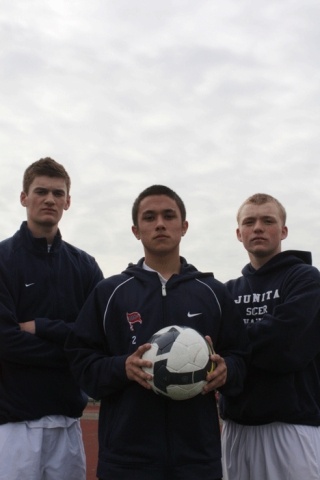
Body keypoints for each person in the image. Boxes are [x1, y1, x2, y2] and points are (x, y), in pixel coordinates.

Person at [65, 184, 250, 480]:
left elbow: (241, 356)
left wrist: (228, 371)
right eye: (149, 217)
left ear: (184, 226)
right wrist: (121, 367)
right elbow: (81, 362)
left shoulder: (213, 293)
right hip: (127, 462)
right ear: (136, 230)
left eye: (169, 215)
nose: (160, 223)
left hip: (197, 460)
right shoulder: (110, 293)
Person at [0, 157, 104, 480]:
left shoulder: (85, 266)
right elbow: (5, 341)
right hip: (13, 427)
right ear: (23, 198)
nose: (50, 199)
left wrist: (42, 328)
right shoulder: (3, 260)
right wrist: (72, 350)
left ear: (68, 202)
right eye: (41, 191)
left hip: (68, 424)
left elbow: (99, 339)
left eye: (58, 194)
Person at [220, 193, 320, 480]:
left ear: (283, 231)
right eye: (249, 222)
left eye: (268, 220)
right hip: (235, 427)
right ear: (239, 234)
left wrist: (232, 350)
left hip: (290, 427)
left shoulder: (306, 279)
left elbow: (285, 345)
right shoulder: (227, 291)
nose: (258, 228)